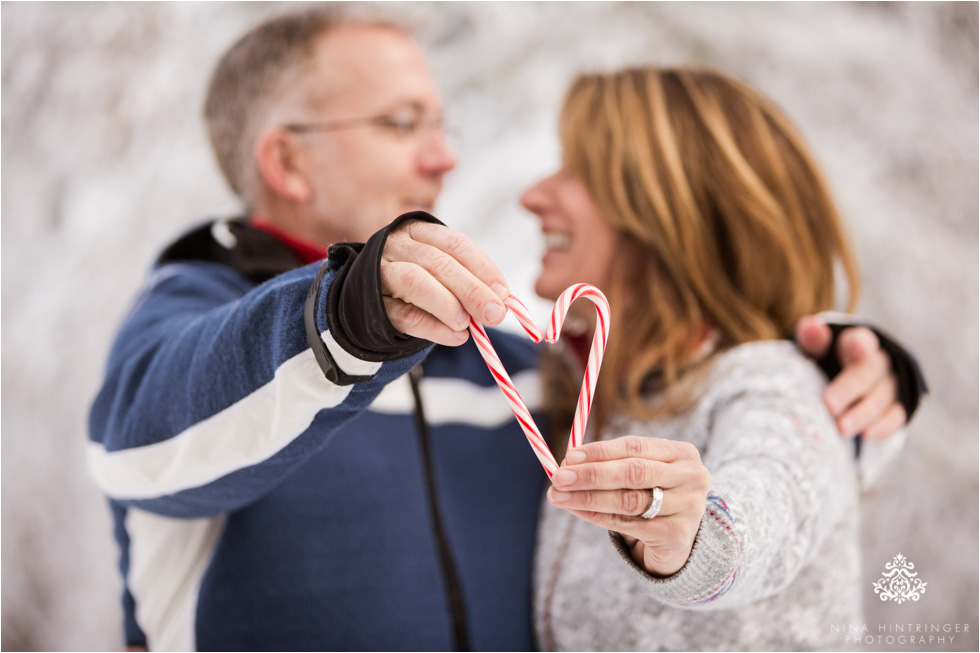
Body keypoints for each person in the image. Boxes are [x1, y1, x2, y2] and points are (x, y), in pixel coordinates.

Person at [87, 7, 924, 651]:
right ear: (289, 161)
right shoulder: (190, 327)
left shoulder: (512, 366)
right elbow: (147, 435)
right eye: (402, 122)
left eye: (442, 123)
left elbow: (705, 418)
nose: (445, 157)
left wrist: (851, 378)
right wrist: (346, 315)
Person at [523, 65, 902, 650]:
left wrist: (693, 538)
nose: (532, 195)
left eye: (576, 171)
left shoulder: (775, 385)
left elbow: (770, 493)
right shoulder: (587, 396)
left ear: (665, 210)